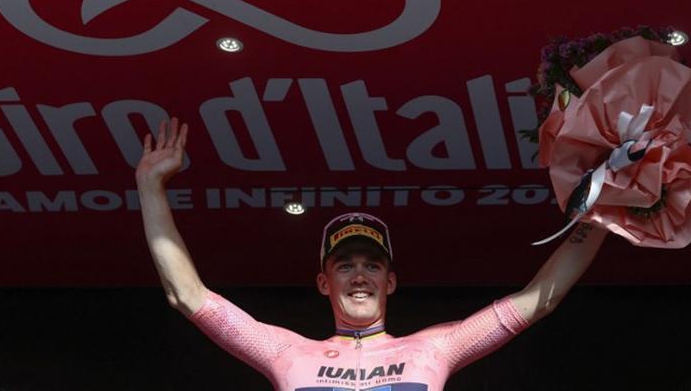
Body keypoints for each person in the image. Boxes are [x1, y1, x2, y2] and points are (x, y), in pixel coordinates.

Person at [137, 118, 607, 390]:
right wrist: (150, 185)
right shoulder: (285, 351)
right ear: (324, 283)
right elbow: (187, 296)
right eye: (345, 265)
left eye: (372, 265)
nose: (359, 275)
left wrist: (606, 208)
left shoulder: (434, 347)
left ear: (390, 281)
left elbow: (540, 299)